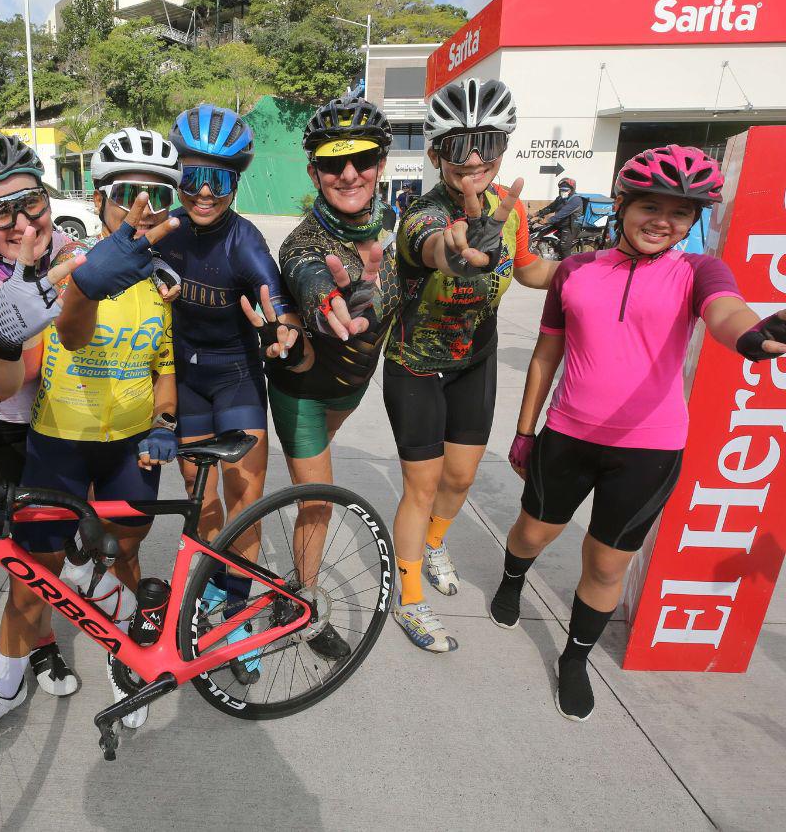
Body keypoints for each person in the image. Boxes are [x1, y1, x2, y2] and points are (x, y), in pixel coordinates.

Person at [492, 145, 786, 720]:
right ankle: (511, 580)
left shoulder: (697, 271)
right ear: (622, 205)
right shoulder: (577, 270)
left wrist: (754, 338)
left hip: (649, 449)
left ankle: (575, 660)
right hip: (567, 437)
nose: (663, 221)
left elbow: (727, 311)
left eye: (681, 213)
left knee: (606, 565)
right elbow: (546, 354)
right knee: (532, 533)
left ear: (694, 221)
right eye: (650, 205)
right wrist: (526, 430)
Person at [0, 128, 181, 743]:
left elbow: (163, 369)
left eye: (156, 196)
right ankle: (6, 689)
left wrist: (166, 423)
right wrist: (87, 284)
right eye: (126, 194)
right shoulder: (69, 268)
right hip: (59, 444)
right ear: (98, 197)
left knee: (125, 557)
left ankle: (125, 662)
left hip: (131, 444)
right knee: (33, 581)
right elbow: (73, 335)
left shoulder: (162, 283)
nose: (141, 208)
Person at [384, 77, 556, 653]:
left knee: (458, 480)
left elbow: (527, 270)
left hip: (474, 361)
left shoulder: (512, 208)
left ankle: (435, 545)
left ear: (504, 146)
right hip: (415, 364)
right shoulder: (421, 215)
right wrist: (458, 252)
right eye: (458, 146)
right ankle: (408, 597)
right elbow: (438, 249)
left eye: (486, 141)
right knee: (421, 484)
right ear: (436, 153)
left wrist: (589, 268)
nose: (474, 158)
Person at [159, 104, 309, 683]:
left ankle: (239, 610)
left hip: (236, 378)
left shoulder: (243, 241)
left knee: (245, 502)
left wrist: (283, 326)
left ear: (235, 183)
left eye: (217, 181)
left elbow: (278, 301)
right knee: (202, 503)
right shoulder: (163, 232)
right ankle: (205, 592)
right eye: (192, 178)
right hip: (185, 380)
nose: (202, 193)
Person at [265, 91, 399, 662]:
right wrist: (330, 301)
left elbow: (433, 251)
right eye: (332, 162)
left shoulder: (391, 225)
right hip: (303, 390)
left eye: (362, 159)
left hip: (351, 387)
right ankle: (301, 602)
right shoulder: (303, 242)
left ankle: (293, 585)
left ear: (381, 164)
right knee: (317, 500)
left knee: (314, 478)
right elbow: (307, 273)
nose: (349, 173)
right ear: (314, 170)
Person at [0, 133, 80, 698]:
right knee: (30, 557)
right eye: (0, 211)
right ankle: (36, 653)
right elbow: (20, 367)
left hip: (54, 422)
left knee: (46, 550)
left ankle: (37, 638)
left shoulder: (68, 243)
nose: (24, 220)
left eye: (31, 199)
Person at [533, 177, 584, 258]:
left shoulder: (576, 200)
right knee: (541, 233)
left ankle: (567, 266)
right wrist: (537, 213)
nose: (562, 192)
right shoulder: (560, 198)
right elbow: (551, 207)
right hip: (560, 223)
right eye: (561, 189)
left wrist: (548, 220)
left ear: (571, 190)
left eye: (565, 190)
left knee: (564, 247)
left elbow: (562, 214)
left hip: (570, 226)